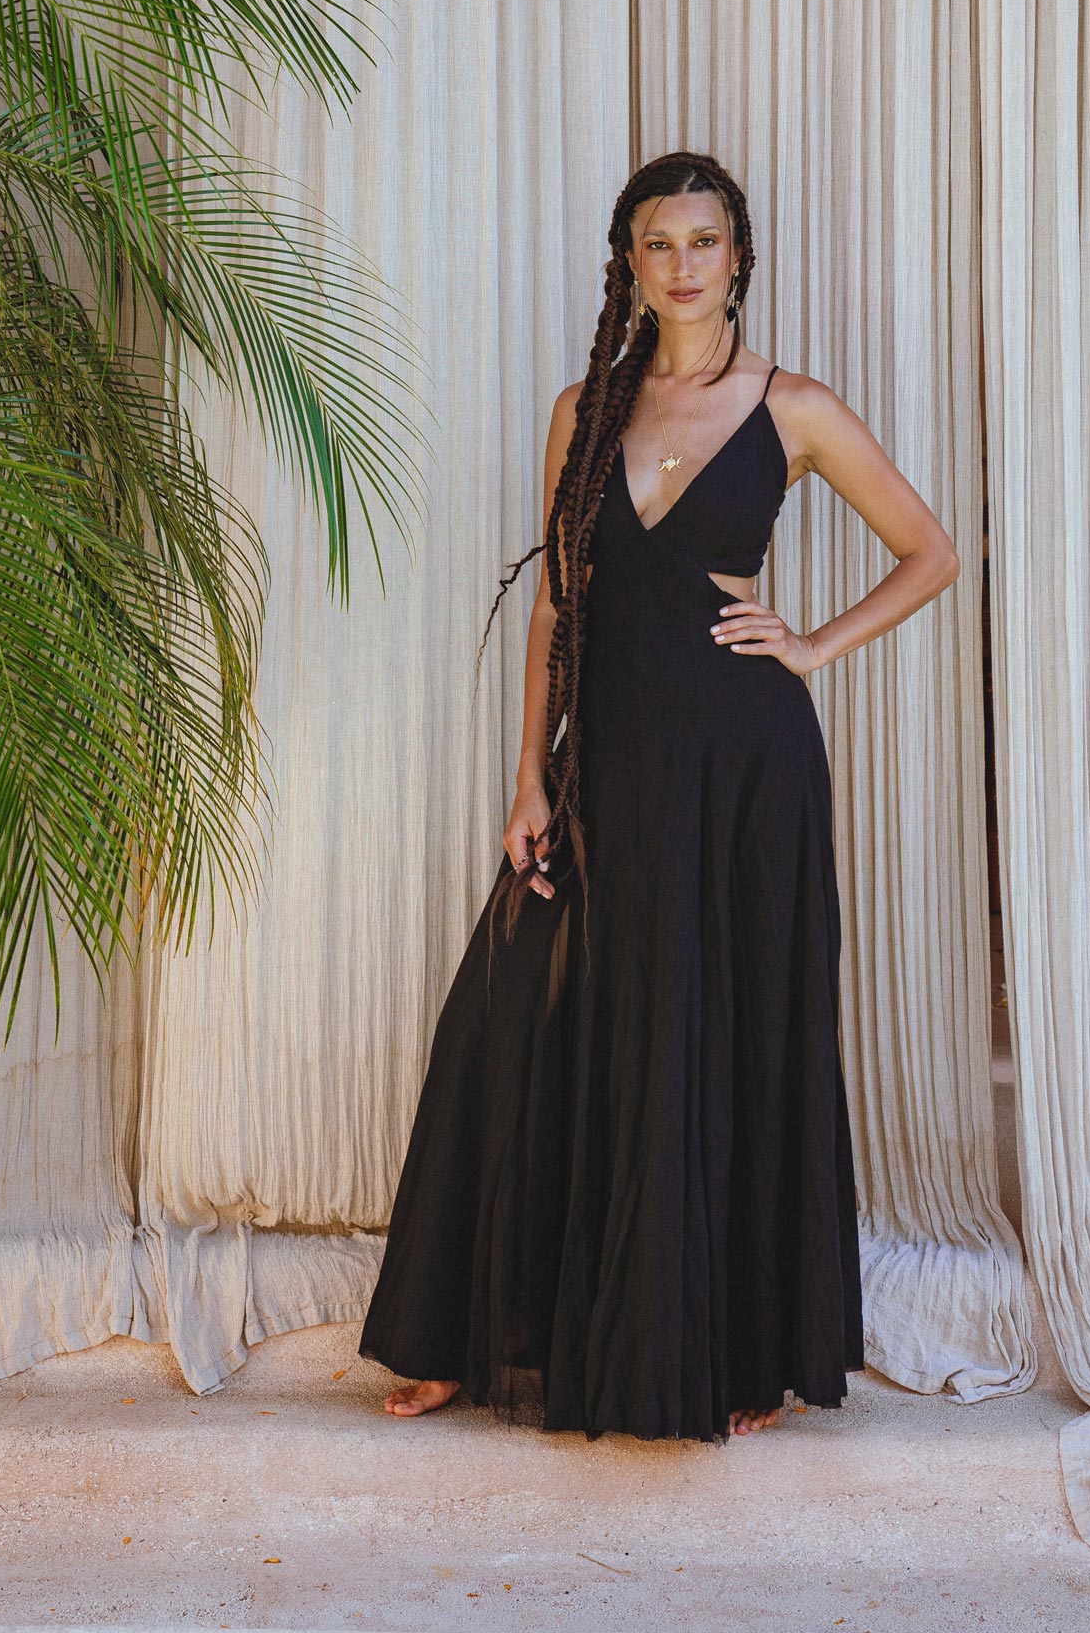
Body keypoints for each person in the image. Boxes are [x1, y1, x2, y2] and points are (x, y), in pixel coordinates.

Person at [357, 150, 960, 1441]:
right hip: (613, 761)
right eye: (657, 244)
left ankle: (737, 1351)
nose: (682, 265)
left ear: (738, 256)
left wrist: (812, 645)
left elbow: (931, 552)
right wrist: (531, 773)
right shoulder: (586, 409)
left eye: (703, 241)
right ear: (627, 264)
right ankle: (476, 1334)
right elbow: (557, 610)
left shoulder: (795, 407)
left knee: (728, 1028)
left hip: (746, 770)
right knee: (519, 1015)